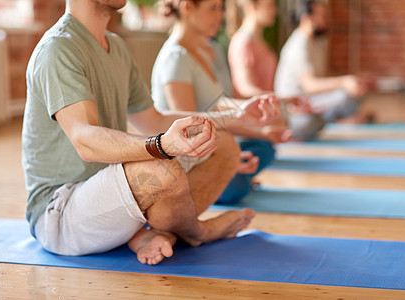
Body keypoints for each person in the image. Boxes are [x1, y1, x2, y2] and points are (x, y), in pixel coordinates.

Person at [22, 0, 281, 265]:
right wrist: (163, 146)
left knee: (222, 144)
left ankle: (151, 234)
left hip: (111, 199)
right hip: (61, 213)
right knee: (159, 168)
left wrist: (234, 115)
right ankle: (198, 232)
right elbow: (84, 141)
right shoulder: (59, 47)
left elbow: (153, 119)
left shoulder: (117, 47)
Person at [152, 0, 288, 205]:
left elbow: (216, 105)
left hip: (211, 146)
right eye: (213, 8)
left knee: (265, 148)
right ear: (188, 8)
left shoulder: (200, 53)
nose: (221, 16)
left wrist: (260, 129)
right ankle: (225, 179)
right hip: (185, 163)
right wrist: (227, 160)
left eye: (221, 9)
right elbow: (189, 133)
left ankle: (230, 176)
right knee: (237, 187)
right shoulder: (175, 58)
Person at [275, 0, 369, 140]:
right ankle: (338, 121)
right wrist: (343, 81)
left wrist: (352, 79)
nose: (326, 21)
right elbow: (310, 85)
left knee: (356, 90)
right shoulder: (298, 46)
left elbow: (323, 78)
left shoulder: (316, 42)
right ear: (307, 18)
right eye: (322, 16)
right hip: (296, 109)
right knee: (340, 99)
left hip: (312, 100)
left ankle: (337, 120)